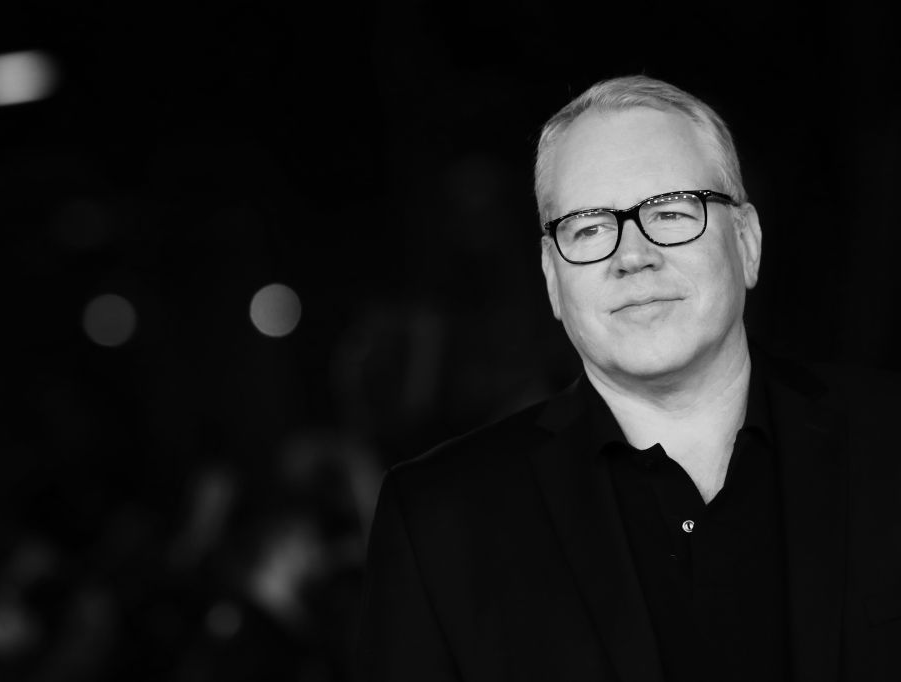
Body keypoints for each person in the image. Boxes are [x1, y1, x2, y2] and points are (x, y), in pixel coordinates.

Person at [356, 75, 901, 682]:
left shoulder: (890, 440)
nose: (632, 255)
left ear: (747, 242)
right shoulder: (439, 523)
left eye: (670, 212)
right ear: (552, 278)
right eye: (589, 228)